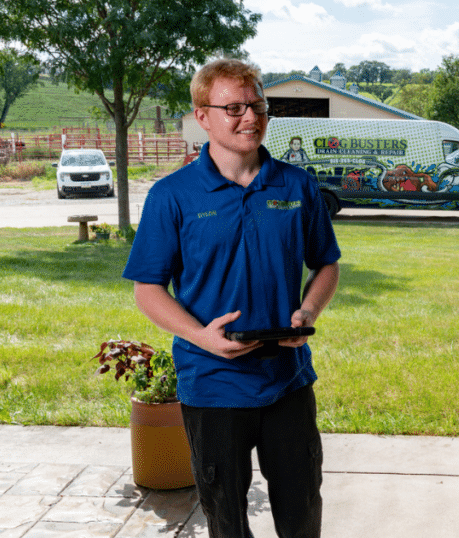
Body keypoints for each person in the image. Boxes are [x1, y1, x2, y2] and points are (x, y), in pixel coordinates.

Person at [123, 58, 341, 538]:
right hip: (212, 384)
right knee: (226, 519)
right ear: (202, 116)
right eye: (235, 107)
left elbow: (327, 264)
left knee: (301, 512)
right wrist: (200, 336)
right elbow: (148, 289)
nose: (251, 118)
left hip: (287, 381)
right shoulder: (172, 196)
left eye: (258, 105)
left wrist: (307, 311)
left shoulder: (297, 186)